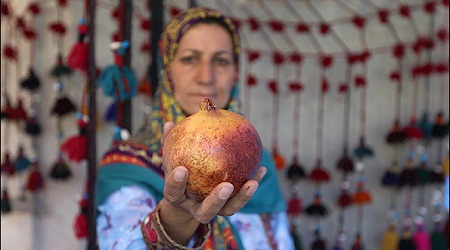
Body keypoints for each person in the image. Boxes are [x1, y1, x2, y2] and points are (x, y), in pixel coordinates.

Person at [95, 6, 295, 249]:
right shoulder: (125, 167)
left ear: (235, 73)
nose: (206, 76)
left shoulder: (256, 162)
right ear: (167, 71)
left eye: (221, 60)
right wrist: (177, 216)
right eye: (190, 58)